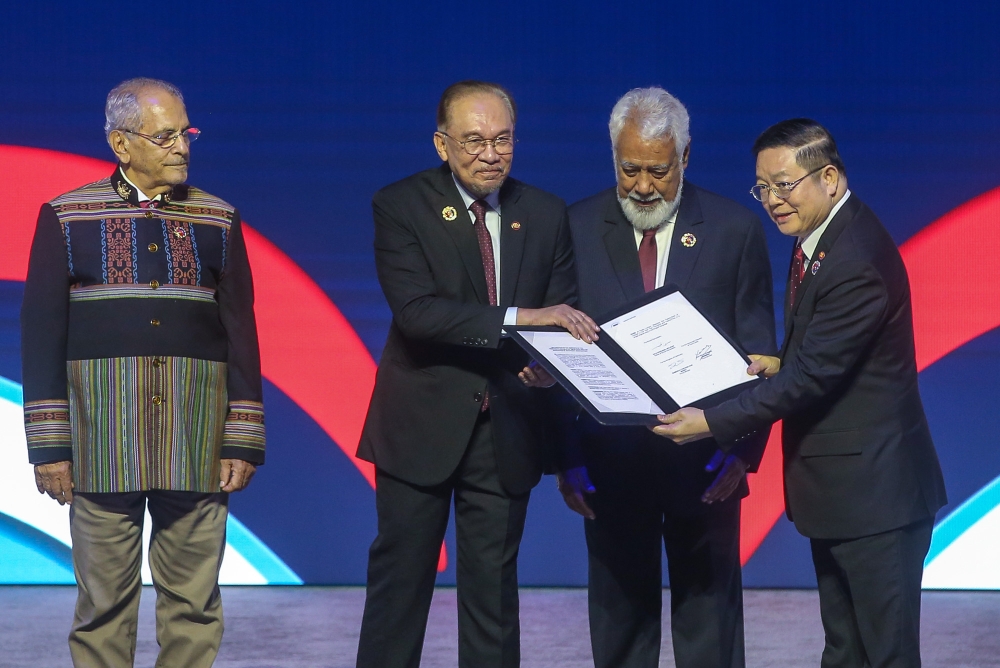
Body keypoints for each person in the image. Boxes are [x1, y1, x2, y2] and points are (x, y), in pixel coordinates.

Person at [656, 118, 947, 668]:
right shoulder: (824, 237)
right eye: (762, 187)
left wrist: (711, 422)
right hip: (846, 495)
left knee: (884, 654)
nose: (772, 200)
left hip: (876, 499)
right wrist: (781, 361)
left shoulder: (855, 259)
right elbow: (823, 356)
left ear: (829, 178)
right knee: (845, 649)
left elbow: (812, 378)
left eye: (784, 184)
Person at [525, 87, 775, 668]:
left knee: (710, 627)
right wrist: (566, 459)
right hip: (608, 465)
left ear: (685, 157)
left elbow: (760, 353)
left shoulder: (733, 229)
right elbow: (559, 352)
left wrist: (742, 451)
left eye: (658, 171)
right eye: (628, 168)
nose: (642, 186)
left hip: (708, 461)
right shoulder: (574, 226)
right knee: (619, 626)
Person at [355, 80, 598, 668]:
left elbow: (562, 312)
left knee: (493, 596)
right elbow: (417, 314)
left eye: (503, 140)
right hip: (420, 426)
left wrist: (549, 365)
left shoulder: (543, 212)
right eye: (474, 141)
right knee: (400, 586)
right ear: (442, 144)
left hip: (507, 425)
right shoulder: (401, 205)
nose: (491, 154)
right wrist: (521, 317)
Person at [22, 77, 265, 667]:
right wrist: (49, 447)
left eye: (186, 133)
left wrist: (242, 436)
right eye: (165, 136)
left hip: (196, 440)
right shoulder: (66, 217)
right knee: (102, 606)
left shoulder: (218, 218)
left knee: (195, 605)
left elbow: (241, 333)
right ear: (121, 144)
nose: (182, 146)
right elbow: (42, 334)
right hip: (100, 442)